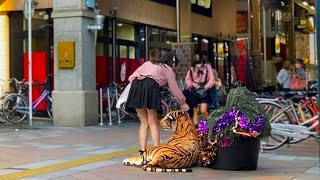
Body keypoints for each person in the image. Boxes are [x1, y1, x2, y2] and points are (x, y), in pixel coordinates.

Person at [126, 50, 190, 155]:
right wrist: (183, 103)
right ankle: (156, 150)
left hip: (136, 86)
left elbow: (131, 78)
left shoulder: (147, 63)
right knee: (153, 122)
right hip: (151, 87)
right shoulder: (167, 68)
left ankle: (142, 150)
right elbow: (174, 89)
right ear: (173, 63)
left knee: (143, 123)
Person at [185, 54, 215, 127]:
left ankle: (207, 124)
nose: (198, 65)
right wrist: (193, 84)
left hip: (204, 88)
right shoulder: (191, 69)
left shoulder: (207, 67)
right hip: (195, 90)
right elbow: (187, 80)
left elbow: (212, 78)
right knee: (195, 110)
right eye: (197, 63)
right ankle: (196, 127)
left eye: (200, 62)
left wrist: (206, 86)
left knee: (203, 110)